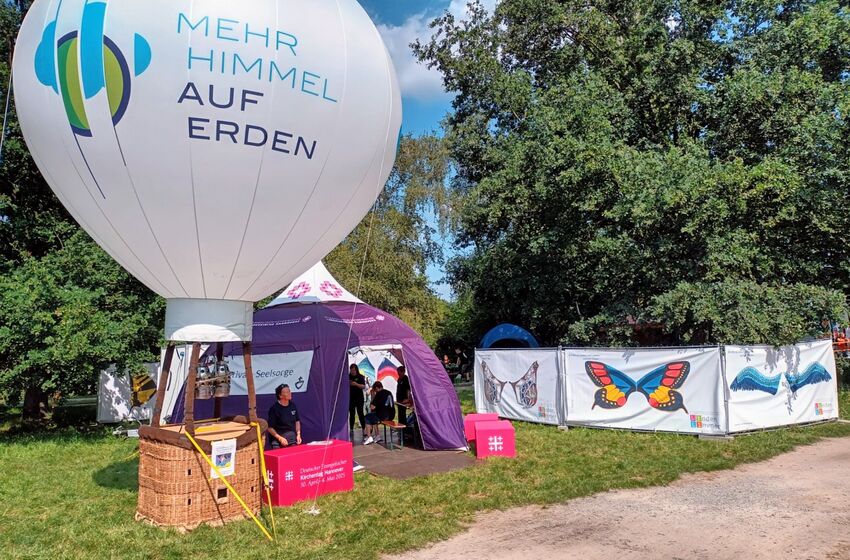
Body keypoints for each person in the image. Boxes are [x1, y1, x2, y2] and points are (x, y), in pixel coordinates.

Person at [267, 384, 302, 449]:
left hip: (291, 438)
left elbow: (297, 421)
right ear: (280, 396)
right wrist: (280, 438)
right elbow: (270, 428)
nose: (289, 393)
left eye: (289, 391)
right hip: (277, 440)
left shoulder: (293, 406)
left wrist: (298, 434)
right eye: (287, 392)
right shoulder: (274, 409)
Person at [363, 381, 394, 445]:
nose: (375, 391)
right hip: (391, 415)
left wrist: (373, 397)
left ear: (377, 388)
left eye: (375, 390)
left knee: (367, 417)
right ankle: (377, 436)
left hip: (383, 416)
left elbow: (372, 407)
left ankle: (369, 437)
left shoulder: (379, 394)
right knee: (373, 417)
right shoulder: (389, 392)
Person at [348, 364, 366, 435]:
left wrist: (356, 384)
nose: (352, 372)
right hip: (351, 398)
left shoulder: (360, 377)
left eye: (353, 370)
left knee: (360, 413)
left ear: (356, 370)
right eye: (351, 370)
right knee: (352, 414)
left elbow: (363, 386)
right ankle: (351, 429)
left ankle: (364, 428)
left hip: (359, 398)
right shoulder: (348, 376)